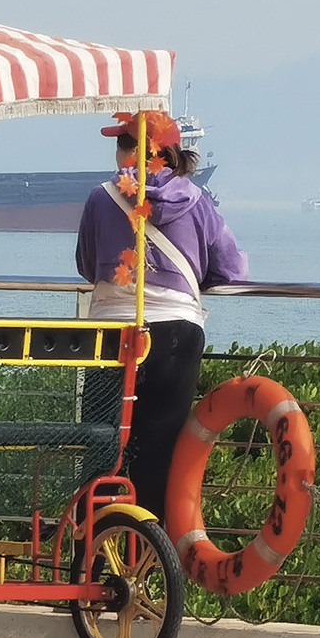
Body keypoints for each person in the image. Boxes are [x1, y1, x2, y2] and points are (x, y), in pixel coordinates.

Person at [76, 110, 248, 517]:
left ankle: (92, 555)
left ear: (137, 152)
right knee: (160, 451)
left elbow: (87, 264)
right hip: (176, 333)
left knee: (101, 446)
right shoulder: (197, 201)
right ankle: (147, 559)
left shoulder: (101, 197)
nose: (117, 152)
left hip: (111, 335)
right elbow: (233, 271)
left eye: (122, 144)